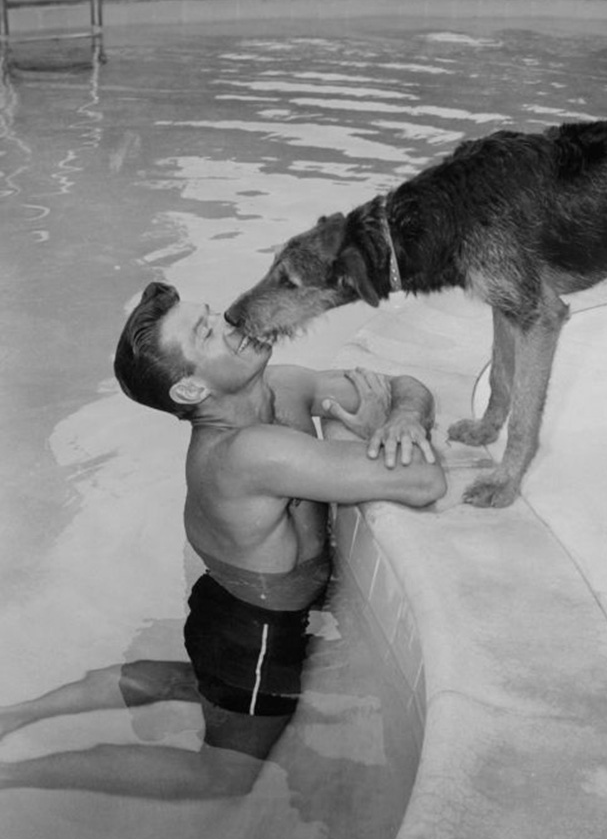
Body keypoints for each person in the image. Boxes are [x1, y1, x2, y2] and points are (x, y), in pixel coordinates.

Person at [0, 282, 445, 800]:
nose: (233, 323)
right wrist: (373, 434)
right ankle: (15, 775)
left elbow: (405, 385)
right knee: (223, 777)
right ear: (191, 390)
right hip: (256, 631)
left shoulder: (285, 386)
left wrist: (404, 417)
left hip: (229, 600)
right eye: (207, 332)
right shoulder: (244, 455)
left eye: (213, 314)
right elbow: (424, 480)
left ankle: (19, 714)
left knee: (193, 683)